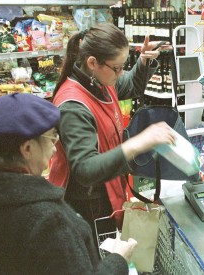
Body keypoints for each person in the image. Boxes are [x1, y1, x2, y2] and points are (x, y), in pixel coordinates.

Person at [0, 93, 137, 274]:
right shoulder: (49, 221)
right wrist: (118, 260)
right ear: (27, 148)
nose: (55, 146)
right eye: (52, 138)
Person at [48, 22, 175, 247]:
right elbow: (85, 170)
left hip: (103, 191)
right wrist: (137, 143)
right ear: (92, 63)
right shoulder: (73, 106)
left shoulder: (98, 81)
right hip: (86, 203)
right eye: (117, 67)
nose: (121, 73)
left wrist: (144, 61)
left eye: (123, 65)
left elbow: (130, 85)